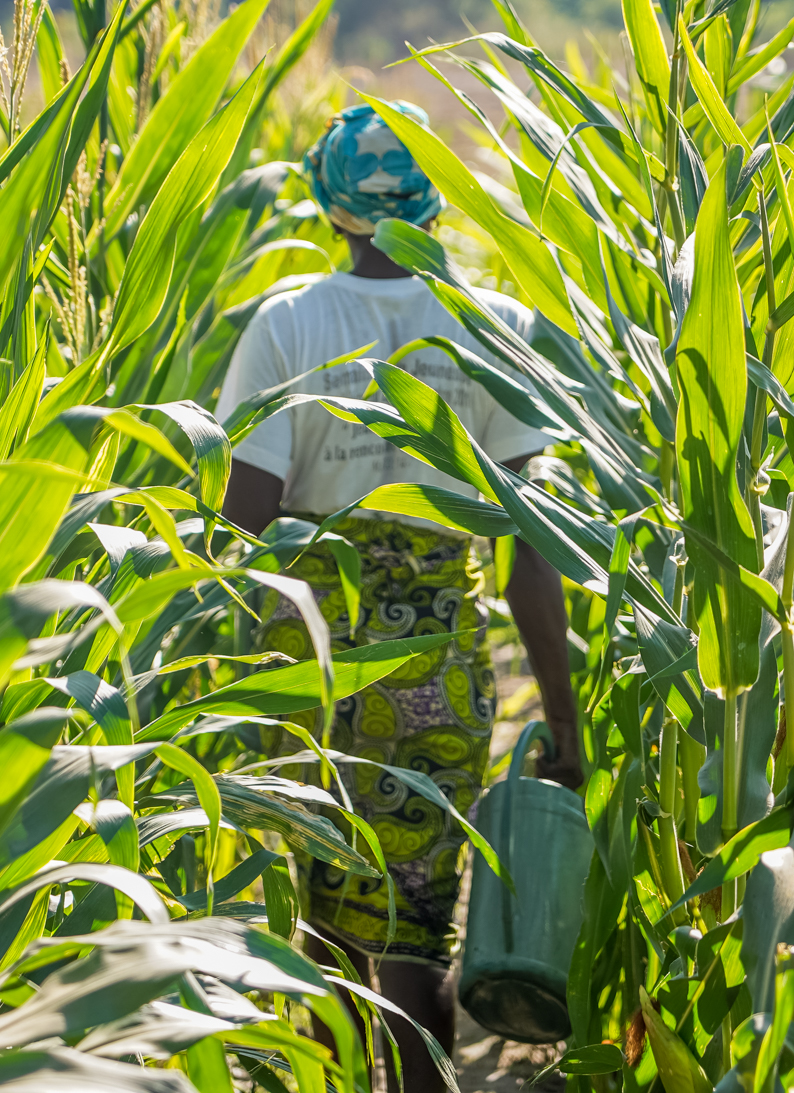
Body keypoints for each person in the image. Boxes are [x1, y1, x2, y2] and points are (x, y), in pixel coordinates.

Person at [217, 102, 582, 1092]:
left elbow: (243, 528)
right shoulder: (486, 326)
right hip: (440, 669)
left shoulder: (288, 322)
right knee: (416, 937)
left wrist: (216, 684)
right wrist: (561, 714)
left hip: (317, 666)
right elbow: (528, 556)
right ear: (429, 200)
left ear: (330, 209)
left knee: (325, 936)